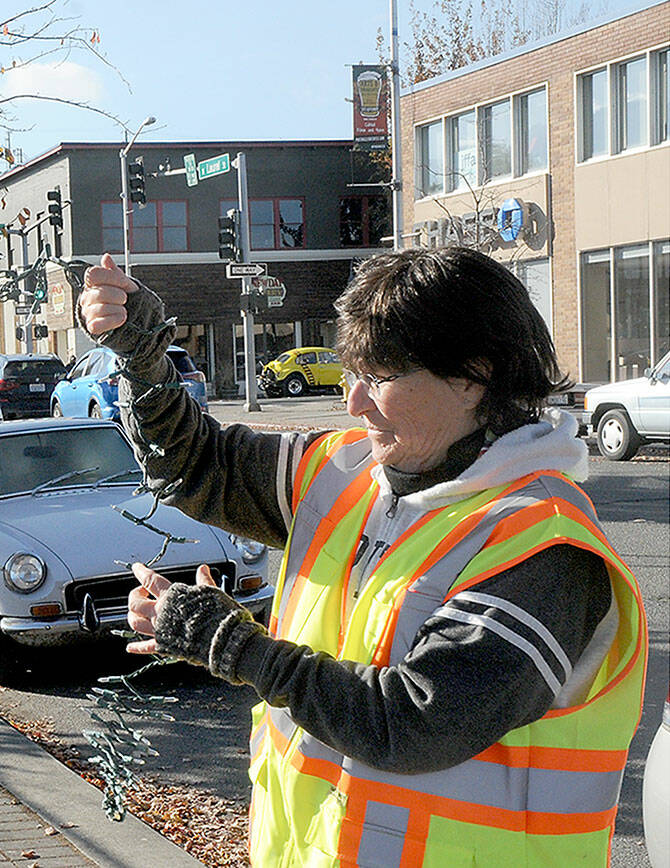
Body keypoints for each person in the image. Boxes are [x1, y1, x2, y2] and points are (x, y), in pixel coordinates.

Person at [79, 247, 647, 865]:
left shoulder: (545, 546)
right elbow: (196, 467)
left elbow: (414, 722)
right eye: (353, 375)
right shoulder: (342, 471)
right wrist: (142, 357)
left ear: (471, 376)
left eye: (378, 378)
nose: (354, 403)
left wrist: (233, 646)